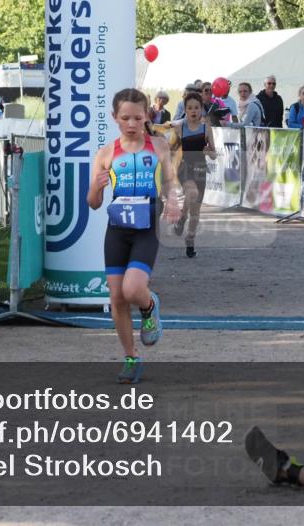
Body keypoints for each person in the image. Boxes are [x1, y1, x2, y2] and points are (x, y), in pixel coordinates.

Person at [86, 88, 182, 385]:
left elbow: (170, 181)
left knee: (133, 289)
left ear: (146, 117)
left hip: (146, 229)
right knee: (117, 297)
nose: (131, 124)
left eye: (137, 118)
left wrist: (173, 201)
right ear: (115, 117)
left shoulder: (159, 146)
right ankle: (131, 358)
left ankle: (149, 305)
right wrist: (97, 187)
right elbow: (93, 202)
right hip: (117, 231)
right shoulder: (105, 154)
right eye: (125, 118)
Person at [170, 91, 216, 258]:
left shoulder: (206, 128)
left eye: (196, 107)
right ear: (185, 110)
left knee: (195, 213)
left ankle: (190, 239)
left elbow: (214, 155)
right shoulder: (179, 128)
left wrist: (208, 151)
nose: (193, 111)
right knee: (192, 193)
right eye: (190, 108)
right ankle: (182, 217)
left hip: (200, 169)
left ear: (201, 109)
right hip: (185, 168)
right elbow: (171, 148)